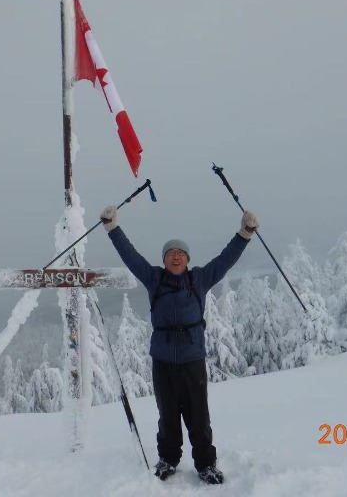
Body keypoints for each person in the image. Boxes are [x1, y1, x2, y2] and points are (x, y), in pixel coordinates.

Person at [99, 205, 259, 485]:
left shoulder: (199, 279)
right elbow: (131, 257)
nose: (176, 257)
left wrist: (244, 233)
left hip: (192, 359)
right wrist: (113, 228)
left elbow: (225, 259)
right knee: (168, 414)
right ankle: (168, 459)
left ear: (187, 259)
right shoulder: (154, 279)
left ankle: (206, 464)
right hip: (162, 360)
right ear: (164, 260)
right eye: (171, 253)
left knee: (198, 415)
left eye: (180, 253)